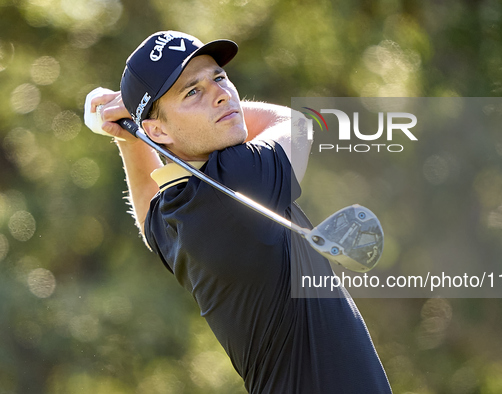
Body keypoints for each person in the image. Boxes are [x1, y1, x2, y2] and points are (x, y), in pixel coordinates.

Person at [87, 30, 391, 393]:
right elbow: (295, 124)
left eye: (218, 77)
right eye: (193, 92)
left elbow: (151, 215)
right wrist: (139, 131)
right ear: (158, 130)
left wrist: (131, 139)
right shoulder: (235, 179)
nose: (221, 94)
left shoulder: (182, 206)